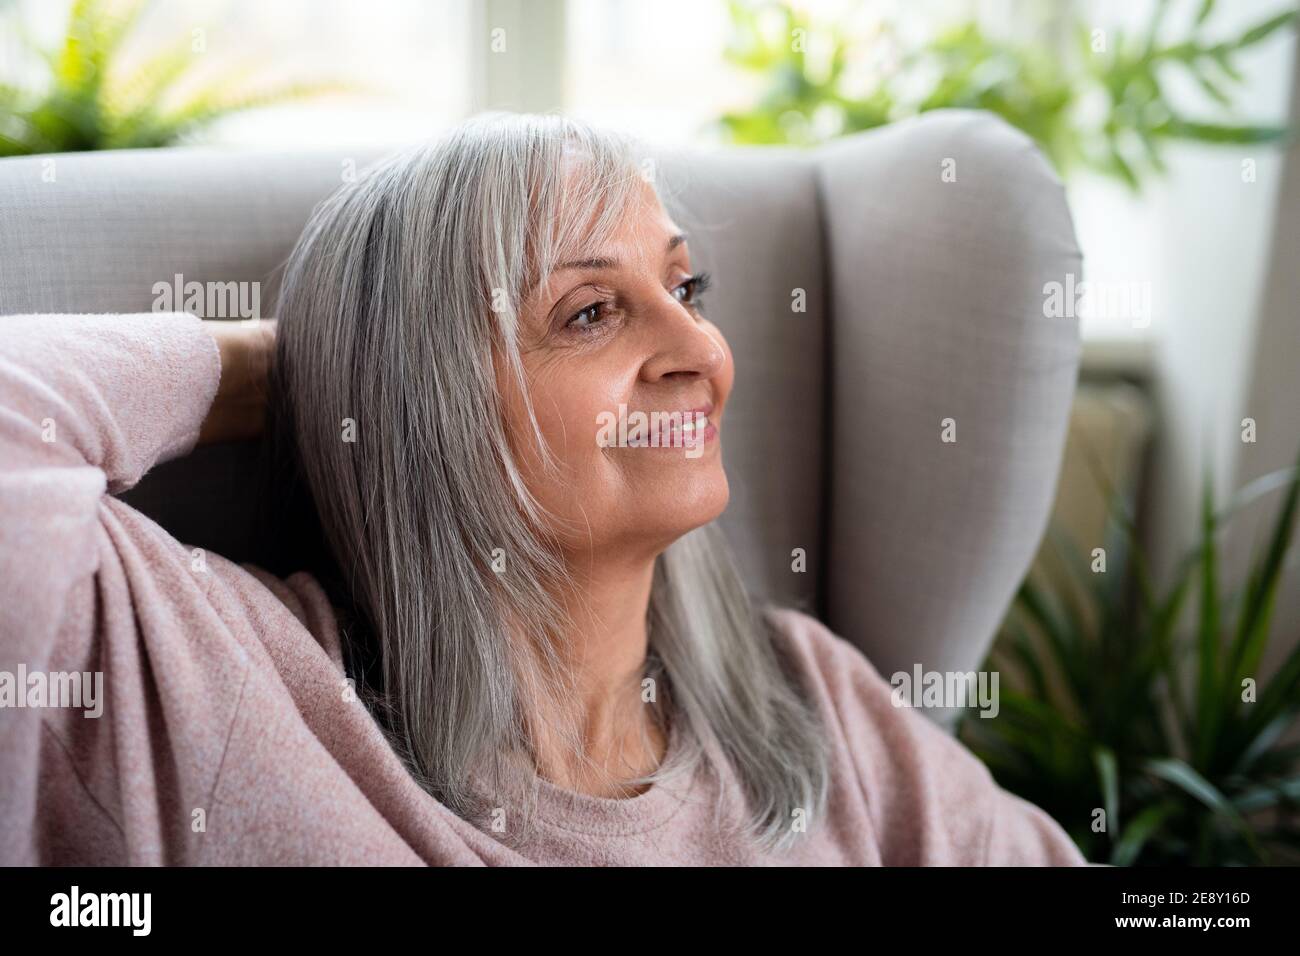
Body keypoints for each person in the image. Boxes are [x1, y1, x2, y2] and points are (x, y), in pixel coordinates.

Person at [0, 113, 1086, 866]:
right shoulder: (217, 680)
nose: (699, 347)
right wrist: (290, 368)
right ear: (431, 401)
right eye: (589, 313)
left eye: (682, 284)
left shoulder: (802, 696)